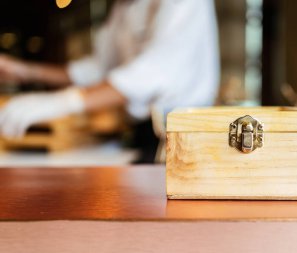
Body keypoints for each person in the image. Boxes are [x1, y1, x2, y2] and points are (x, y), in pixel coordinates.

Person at [0, 0, 220, 163]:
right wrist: (25, 71)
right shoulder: (122, 7)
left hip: (184, 136)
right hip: (140, 134)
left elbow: (152, 73)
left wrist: (63, 102)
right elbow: (98, 70)